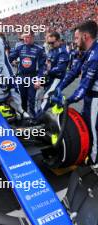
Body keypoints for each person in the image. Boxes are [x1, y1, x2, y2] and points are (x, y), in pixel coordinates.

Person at [54, 20, 98, 169]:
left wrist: (67, 101)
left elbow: (83, 87)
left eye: (77, 38)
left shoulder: (95, 56)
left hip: (95, 99)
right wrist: (59, 87)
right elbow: (73, 71)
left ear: (85, 36)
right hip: (90, 98)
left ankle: (94, 165)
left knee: (94, 131)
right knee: (89, 128)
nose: (75, 41)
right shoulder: (89, 52)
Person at [9, 29, 46, 117]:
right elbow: (8, 59)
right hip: (21, 77)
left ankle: (33, 118)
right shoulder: (20, 48)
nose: (26, 39)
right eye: (24, 37)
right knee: (21, 98)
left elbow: (42, 67)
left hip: (33, 77)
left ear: (33, 37)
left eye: (28, 37)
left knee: (32, 99)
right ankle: (24, 117)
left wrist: (39, 79)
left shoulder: (39, 49)